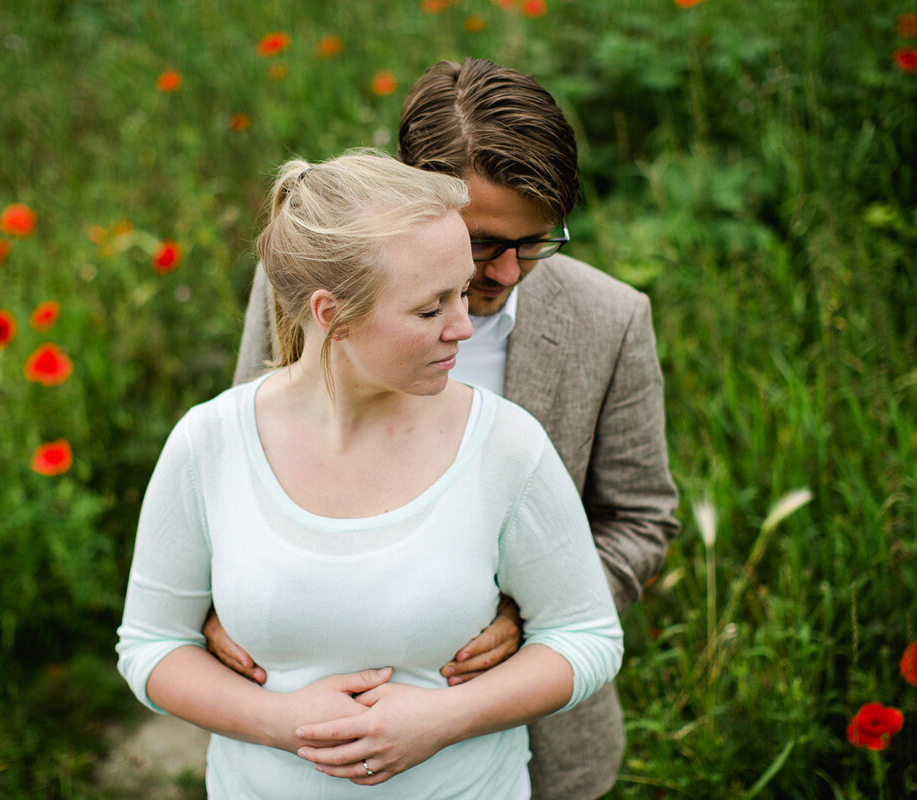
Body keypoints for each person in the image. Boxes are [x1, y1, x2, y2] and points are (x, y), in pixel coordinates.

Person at [214, 58, 681, 799]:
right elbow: (237, 468)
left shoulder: (610, 320)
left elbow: (642, 516)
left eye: (535, 242)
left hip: (535, 748)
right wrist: (219, 600)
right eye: (481, 242)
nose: (505, 274)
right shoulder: (309, 283)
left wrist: (529, 620)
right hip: (305, 745)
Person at [117, 150, 624, 798]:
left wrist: (445, 719)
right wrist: (281, 722)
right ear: (333, 315)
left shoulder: (505, 445)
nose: (464, 327)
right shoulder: (209, 443)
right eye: (431, 307)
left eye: (462, 293)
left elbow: (585, 636)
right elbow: (152, 646)